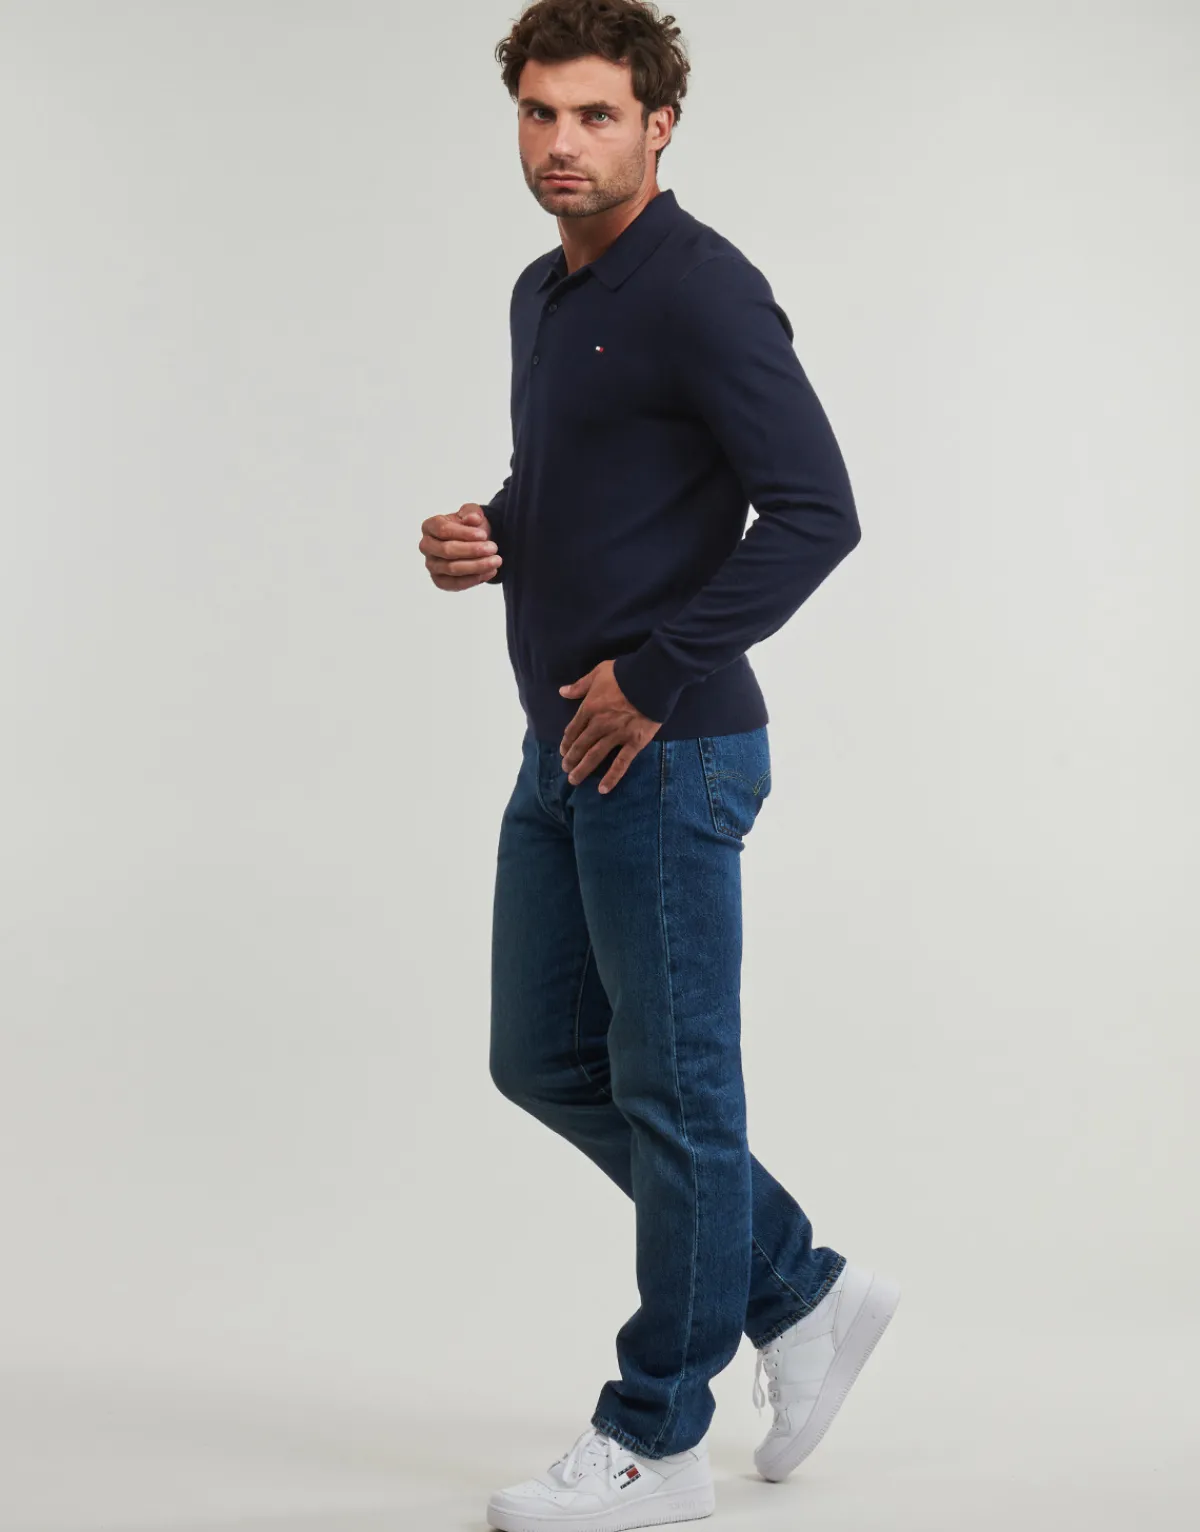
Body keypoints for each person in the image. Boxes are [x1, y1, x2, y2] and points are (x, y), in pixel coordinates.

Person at [419, 3, 900, 1525]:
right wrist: (489, 533)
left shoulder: (702, 288)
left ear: (659, 125)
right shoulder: (543, 292)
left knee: (679, 1093)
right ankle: (800, 1289)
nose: (562, 143)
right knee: (544, 1060)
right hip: (561, 745)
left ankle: (657, 1437)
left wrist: (654, 670)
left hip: (671, 750)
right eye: (539, 113)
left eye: (597, 115)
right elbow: (580, 482)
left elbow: (816, 509)